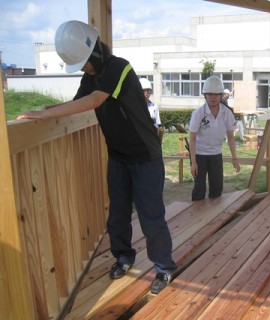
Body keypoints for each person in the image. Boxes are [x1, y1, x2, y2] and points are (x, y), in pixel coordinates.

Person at [17, 20, 176, 295]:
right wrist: (46, 109)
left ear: (96, 53)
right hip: (118, 158)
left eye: (84, 63)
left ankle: (163, 267)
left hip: (145, 157)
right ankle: (124, 258)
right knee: (117, 215)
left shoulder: (119, 67)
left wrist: (44, 115)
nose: (83, 69)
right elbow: (76, 103)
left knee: (151, 217)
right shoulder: (90, 78)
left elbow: (94, 101)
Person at [189, 76, 241, 201]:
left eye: (216, 94)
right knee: (199, 188)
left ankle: (215, 217)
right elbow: (192, 139)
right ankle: (197, 216)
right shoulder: (198, 113)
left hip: (216, 154)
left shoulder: (226, 113)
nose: (213, 97)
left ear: (221, 95)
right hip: (200, 155)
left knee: (217, 188)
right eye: (210, 94)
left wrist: (234, 158)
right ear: (205, 95)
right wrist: (193, 162)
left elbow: (230, 137)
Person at [140, 77, 163, 144]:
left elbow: (158, 125)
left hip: (152, 137)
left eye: (148, 91)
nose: (146, 93)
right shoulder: (135, 106)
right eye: (144, 91)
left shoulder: (154, 106)